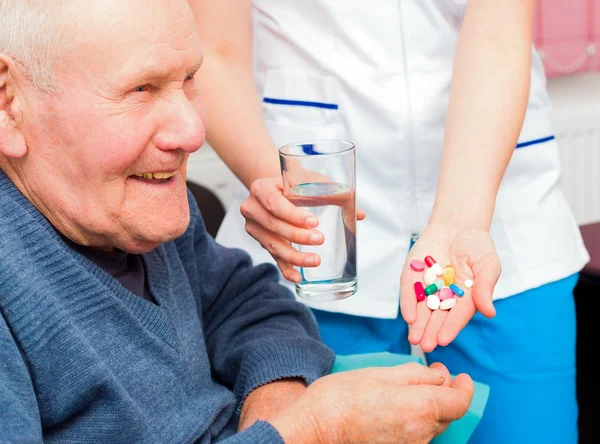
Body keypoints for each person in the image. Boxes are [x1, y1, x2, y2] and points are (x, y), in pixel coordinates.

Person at [0, 0, 476, 442]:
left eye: (189, 79)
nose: (192, 131)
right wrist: (315, 428)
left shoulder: (133, 207)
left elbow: (248, 301)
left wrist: (276, 401)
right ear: (8, 104)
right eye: (140, 89)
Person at [192, 0, 590, 442]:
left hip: (499, 205)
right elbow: (213, 47)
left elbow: (499, 33)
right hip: (316, 220)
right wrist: (276, 182)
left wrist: (462, 221)